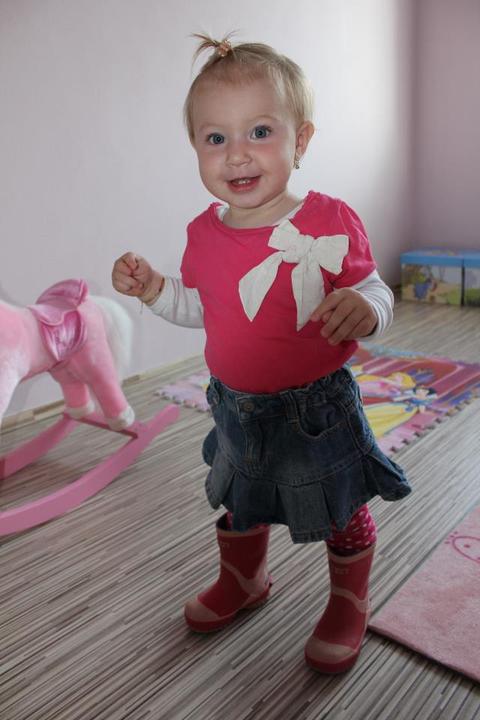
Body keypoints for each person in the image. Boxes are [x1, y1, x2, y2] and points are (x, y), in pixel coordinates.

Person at [111, 34, 411, 674]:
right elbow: (202, 307)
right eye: (216, 138)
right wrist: (155, 289)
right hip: (236, 407)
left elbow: (374, 287)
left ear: (301, 141)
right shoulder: (203, 233)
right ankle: (244, 580)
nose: (237, 153)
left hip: (317, 409)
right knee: (240, 500)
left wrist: (368, 307)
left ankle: (348, 600)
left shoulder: (330, 219)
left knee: (340, 506)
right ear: (196, 148)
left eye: (260, 132)